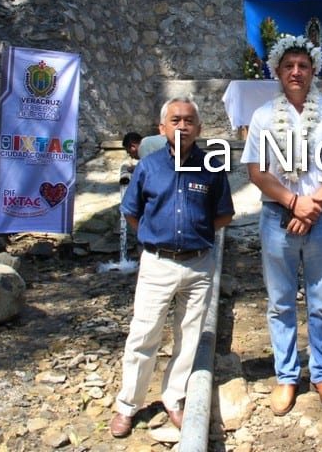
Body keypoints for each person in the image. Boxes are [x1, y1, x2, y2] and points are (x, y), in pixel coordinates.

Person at [241, 34, 322, 416]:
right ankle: (287, 377)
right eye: (288, 66)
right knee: (280, 302)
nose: (295, 71)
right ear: (276, 71)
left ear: (313, 70)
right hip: (278, 218)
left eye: (302, 66)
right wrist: (293, 202)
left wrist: (313, 205)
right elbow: (257, 170)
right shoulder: (261, 117)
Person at [109, 96, 234, 438]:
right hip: (157, 264)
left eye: (189, 120)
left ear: (199, 128)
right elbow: (131, 211)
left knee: (190, 336)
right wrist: (155, 237)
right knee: (143, 335)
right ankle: (127, 405)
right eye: (175, 120)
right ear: (162, 128)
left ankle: (175, 398)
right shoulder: (148, 168)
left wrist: (198, 234)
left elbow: (224, 213)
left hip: (199, 265)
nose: (182, 126)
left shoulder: (211, 166)